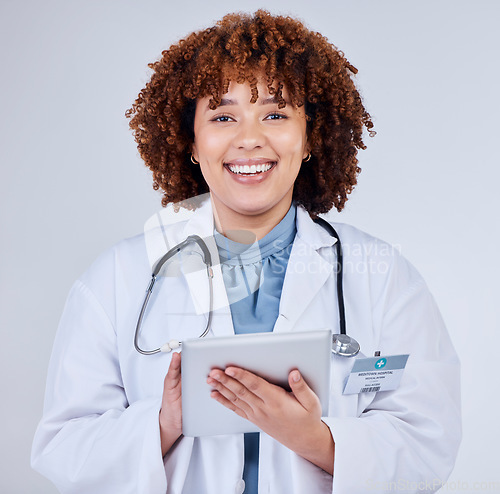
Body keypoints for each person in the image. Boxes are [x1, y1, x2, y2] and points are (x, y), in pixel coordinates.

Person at [31, 10, 461, 494]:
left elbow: (428, 442)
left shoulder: (383, 277)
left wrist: (317, 440)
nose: (249, 138)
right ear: (192, 141)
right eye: (222, 116)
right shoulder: (116, 278)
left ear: (309, 137)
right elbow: (64, 448)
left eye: (276, 114)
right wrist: (165, 420)